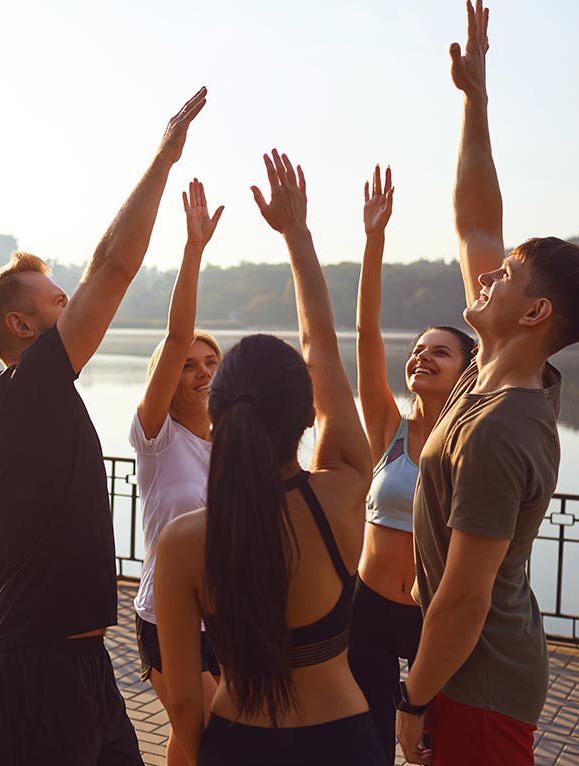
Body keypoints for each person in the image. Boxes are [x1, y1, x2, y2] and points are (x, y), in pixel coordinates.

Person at [0, 86, 209, 766]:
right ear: (21, 326)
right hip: (34, 668)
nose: (74, 306)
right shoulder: (21, 392)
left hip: (80, 660)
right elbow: (116, 267)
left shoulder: (38, 396)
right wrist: (163, 158)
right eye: (57, 301)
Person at [395, 4, 579, 765]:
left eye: (506, 276)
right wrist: (474, 102)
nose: (485, 274)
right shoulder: (490, 374)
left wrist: (412, 700)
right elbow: (475, 223)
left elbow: (463, 598)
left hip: (476, 686)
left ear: (534, 311)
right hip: (466, 672)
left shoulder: (501, 427)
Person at [155, 150, 385, 766]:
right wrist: (298, 235)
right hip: (344, 741)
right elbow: (324, 353)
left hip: (238, 741)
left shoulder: (183, 541)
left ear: (219, 416)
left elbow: (182, 703)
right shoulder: (342, 493)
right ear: (306, 417)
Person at [348, 163, 475, 766]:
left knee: (431, 745)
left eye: (441, 353)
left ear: (466, 371)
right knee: (370, 743)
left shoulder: (470, 442)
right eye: (419, 350)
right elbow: (366, 334)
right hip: (367, 608)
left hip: (432, 616)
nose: (423, 357)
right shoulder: (389, 430)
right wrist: (374, 242)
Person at [130, 178, 224, 766]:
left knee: (207, 740)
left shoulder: (239, 446)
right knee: (206, 731)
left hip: (229, 614)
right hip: (166, 615)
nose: (201, 372)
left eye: (211, 361)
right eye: (188, 365)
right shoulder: (156, 439)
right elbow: (174, 336)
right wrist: (193, 252)